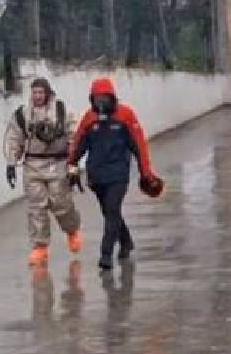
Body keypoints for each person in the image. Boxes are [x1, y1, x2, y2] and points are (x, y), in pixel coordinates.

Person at [68, 77, 163, 271]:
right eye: (97, 98)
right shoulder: (90, 118)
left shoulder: (126, 116)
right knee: (110, 212)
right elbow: (78, 143)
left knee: (111, 210)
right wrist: (71, 164)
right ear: (92, 99)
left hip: (118, 175)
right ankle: (126, 241)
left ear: (112, 97)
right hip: (96, 176)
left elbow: (139, 146)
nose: (100, 102)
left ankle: (106, 255)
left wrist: (146, 172)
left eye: (104, 98)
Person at [3, 77, 83, 265]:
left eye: (41, 92)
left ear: (47, 93)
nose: (38, 96)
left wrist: (73, 165)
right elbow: (14, 138)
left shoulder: (61, 111)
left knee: (61, 203)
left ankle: (72, 231)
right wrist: (11, 163)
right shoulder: (23, 115)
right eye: (35, 92)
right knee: (36, 208)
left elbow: (75, 136)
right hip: (33, 165)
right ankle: (40, 247)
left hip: (57, 163)